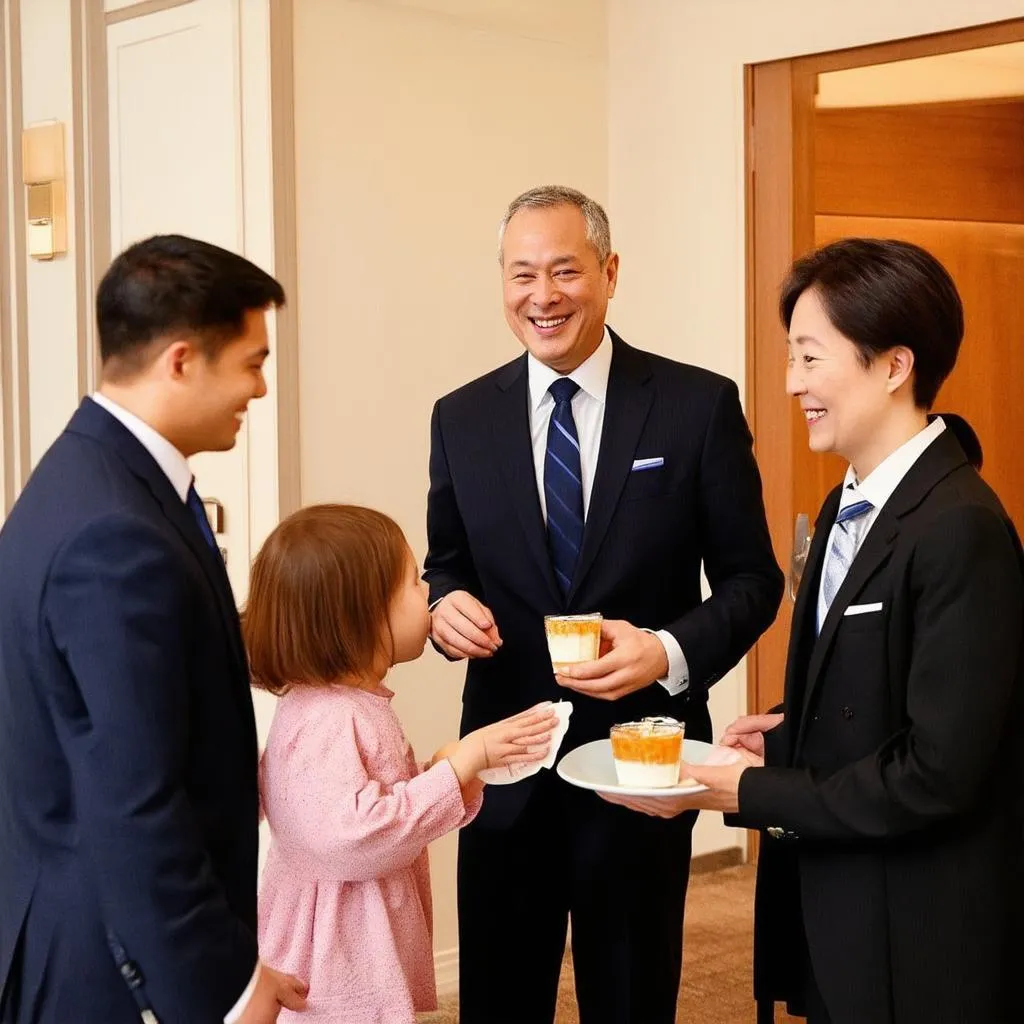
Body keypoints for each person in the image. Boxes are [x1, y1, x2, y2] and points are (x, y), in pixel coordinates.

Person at [613, 238, 1024, 1024]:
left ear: (896, 364)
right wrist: (790, 739)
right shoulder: (845, 505)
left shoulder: (959, 527)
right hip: (841, 907)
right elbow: (874, 696)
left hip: (918, 934)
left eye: (810, 357)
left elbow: (940, 770)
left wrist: (751, 788)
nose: (791, 382)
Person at [424, 185, 783, 1023]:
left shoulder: (697, 406)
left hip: (643, 766)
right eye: (522, 275)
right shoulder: (460, 418)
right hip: (505, 765)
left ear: (609, 273)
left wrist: (666, 650)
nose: (542, 296)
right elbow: (447, 568)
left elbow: (753, 580)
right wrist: (445, 611)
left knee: (631, 998)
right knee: (500, 998)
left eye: (564, 271)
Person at [0, 234, 309, 1022]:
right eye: (251, 361)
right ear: (180, 360)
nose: (263, 388)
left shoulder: (98, 480)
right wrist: (223, 989)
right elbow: (135, 797)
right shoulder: (113, 534)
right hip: (106, 966)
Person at [248, 504, 558, 1024]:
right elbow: (352, 838)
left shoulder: (339, 705)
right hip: (335, 962)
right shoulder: (332, 718)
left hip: (353, 944)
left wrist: (441, 771)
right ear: (365, 617)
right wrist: (459, 768)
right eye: (415, 583)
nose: (428, 595)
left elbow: (355, 805)